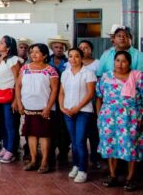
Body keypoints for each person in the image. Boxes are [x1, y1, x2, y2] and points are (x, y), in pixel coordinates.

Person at [96, 51, 142, 192]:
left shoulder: (138, 77)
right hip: (108, 118)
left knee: (131, 146)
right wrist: (99, 116)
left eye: (124, 61)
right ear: (113, 62)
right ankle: (113, 175)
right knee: (110, 146)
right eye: (117, 60)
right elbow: (99, 97)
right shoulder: (105, 77)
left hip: (131, 118)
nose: (120, 64)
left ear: (129, 63)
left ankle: (131, 178)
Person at [16, 43, 59, 173]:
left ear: (45, 55)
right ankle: (34, 160)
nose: (33, 54)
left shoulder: (50, 70)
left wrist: (48, 107)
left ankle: (44, 162)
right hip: (28, 107)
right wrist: (19, 103)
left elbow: (55, 90)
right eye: (32, 52)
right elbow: (18, 86)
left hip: (44, 108)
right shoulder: (25, 69)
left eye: (37, 52)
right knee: (31, 134)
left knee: (44, 135)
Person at [59, 48, 97, 183]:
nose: (73, 59)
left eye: (76, 56)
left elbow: (90, 94)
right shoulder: (65, 73)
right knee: (74, 141)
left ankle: (83, 170)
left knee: (80, 142)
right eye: (70, 56)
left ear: (81, 58)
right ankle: (75, 165)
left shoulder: (88, 73)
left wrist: (77, 108)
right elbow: (61, 93)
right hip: (68, 111)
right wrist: (62, 108)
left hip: (83, 111)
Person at [0, 35, 21, 164]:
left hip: (10, 95)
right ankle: (5, 147)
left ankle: (11, 150)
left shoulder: (13, 60)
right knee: (2, 124)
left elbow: (18, 80)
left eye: (2, 43)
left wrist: (16, 99)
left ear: (8, 47)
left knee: (10, 124)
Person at [47, 34, 71, 165]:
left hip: (64, 98)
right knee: (51, 125)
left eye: (61, 47)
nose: (59, 49)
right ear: (52, 48)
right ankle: (50, 151)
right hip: (49, 98)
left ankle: (63, 150)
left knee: (64, 127)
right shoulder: (46, 62)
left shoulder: (68, 63)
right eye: (56, 47)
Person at [77, 40, 101, 169]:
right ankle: (79, 159)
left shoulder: (97, 63)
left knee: (93, 133)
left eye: (86, 47)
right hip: (77, 103)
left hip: (93, 101)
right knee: (80, 134)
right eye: (81, 47)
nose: (83, 49)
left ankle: (95, 157)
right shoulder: (74, 63)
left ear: (90, 50)